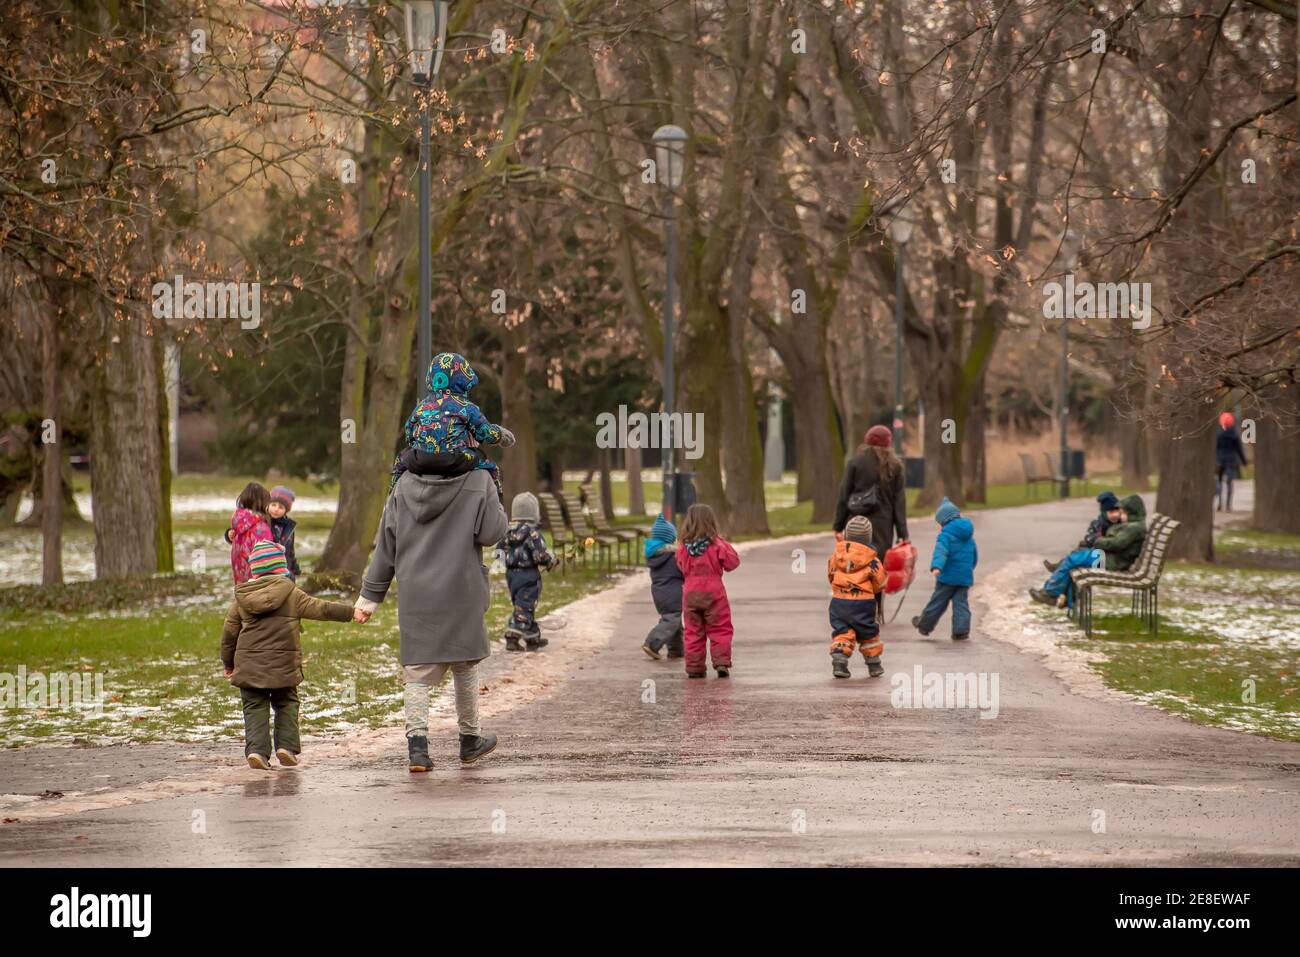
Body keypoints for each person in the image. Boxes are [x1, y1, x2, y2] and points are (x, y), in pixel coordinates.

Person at [355, 462, 508, 773]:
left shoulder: (403, 484)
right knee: (464, 665)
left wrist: (371, 596)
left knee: (417, 672)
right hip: (461, 590)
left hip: (417, 593)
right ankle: (469, 740)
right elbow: (493, 532)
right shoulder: (479, 479)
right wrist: (495, 490)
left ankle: (418, 749)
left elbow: (387, 544)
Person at [220, 541, 356, 769]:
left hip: (250, 667)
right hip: (283, 666)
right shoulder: (292, 594)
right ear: (281, 568)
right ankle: (286, 747)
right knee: (287, 703)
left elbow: (229, 635)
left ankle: (256, 752)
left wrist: (228, 662)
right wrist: (351, 613)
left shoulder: (241, 599)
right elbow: (322, 608)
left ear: (254, 570)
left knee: (254, 707)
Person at [390, 352, 515, 500]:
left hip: (422, 458)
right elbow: (484, 432)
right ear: (462, 380)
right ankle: (498, 500)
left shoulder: (422, 406)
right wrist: (500, 435)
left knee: (400, 460)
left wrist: (416, 445)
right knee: (489, 465)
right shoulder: (467, 407)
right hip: (454, 458)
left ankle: (392, 493)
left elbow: (409, 430)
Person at [833, 424, 910, 620]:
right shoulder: (895, 465)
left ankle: (854, 605)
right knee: (877, 565)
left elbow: (844, 495)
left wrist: (838, 525)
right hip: (883, 524)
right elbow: (899, 502)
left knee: (855, 563)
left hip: (856, 522)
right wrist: (903, 532)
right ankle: (876, 608)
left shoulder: (856, 462)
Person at [1030, 494, 1147, 608]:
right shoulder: (1133, 526)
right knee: (1074, 559)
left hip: (1109, 561)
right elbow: (1116, 542)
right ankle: (1060, 596)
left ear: (1132, 512)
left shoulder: (1134, 528)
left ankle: (1050, 593)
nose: (1121, 516)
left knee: (1073, 560)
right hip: (1108, 558)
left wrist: (1099, 541)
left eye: (1123, 513)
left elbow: (1117, 543)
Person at [675, 504, 740, 679]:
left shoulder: (683, 548)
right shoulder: (717, 545)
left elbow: (680, 566)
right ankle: (721, 662)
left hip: (690, 593)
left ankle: (695, 667)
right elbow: (733, 563)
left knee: (693, 631)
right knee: (720, 628)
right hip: (714, 592)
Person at [828, 515, 889, 678]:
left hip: (839, 602)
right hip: (863, 603)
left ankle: (839, 662)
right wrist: (872, 590)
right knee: (868, 632)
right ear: (868, 538)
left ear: (847, 535)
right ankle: (874, 664)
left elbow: (831, 575)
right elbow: (879, 582)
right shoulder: (872, 560)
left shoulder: (836, 556)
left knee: (842, 631)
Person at [911, 497, 978, 641]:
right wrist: (969, 569)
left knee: (938, 602)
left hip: (947, 577)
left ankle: (924, 625)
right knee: (961, 604)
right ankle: (961, 631)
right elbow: (974, 557)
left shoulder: (945, 536)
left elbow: (941, 552)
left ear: (944, 521)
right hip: (964, 578)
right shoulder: (969, 537)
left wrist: (937, 567)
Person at [501, 491, 559, 652]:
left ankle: (532, 637)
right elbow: (540, 554)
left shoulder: (507, 532)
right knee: (526, 605)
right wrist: (551, 561)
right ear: (534, 513)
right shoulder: (533, 534)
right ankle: (512, 636)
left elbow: (500, 550)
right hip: (529, 575)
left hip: (512, 575)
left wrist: (503, 563)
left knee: (521, 604)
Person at [641, 513, 685, 661]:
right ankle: (652, 643)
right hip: (672, 593)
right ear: (670, 538)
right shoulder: (672, 556)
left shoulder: (656, 555)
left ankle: (677, 651)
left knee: (675, 622)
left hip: (660, 592)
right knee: (671, 620)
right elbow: (682, 571)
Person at [1044, 491, 1120, 573]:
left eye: (1117, 511)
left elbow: (1113, 541)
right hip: (1098, 549)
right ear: (1104, 513)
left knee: (1080, 555)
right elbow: (1089, 537)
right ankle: (1061, 566)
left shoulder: (1119, 524)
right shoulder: (1099, 522)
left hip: (1103, 555)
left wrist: (1099, 539)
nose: (1115, 515)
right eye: (1111, 512)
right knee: (1080, 547)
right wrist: (1096, 537)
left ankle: (1060, 567)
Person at [228, 482, 274, 584]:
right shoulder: (261, 529)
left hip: (242, 583)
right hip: (258, 584)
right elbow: (266, 558)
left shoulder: (239, 523)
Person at [1215, 411, 1248, 512]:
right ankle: (1228, 505)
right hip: (1230, 460)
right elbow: (1239, 448)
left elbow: (1215, 447)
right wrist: (1244, 461)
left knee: (1219, 481)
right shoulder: (1234, 433)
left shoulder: (1218, 433)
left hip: (1220, 460)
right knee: (1229, 482)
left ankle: (1220, 503)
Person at [267, 485, 301, 580]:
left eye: (281, 507)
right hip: (267, 570)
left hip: (286, 571)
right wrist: (230, 535)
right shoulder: (262, 523)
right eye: (273, 505)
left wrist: (293, 566)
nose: (276, 509)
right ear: (268, 505)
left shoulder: (289, 527)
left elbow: (290, 550)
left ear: (286, 510)